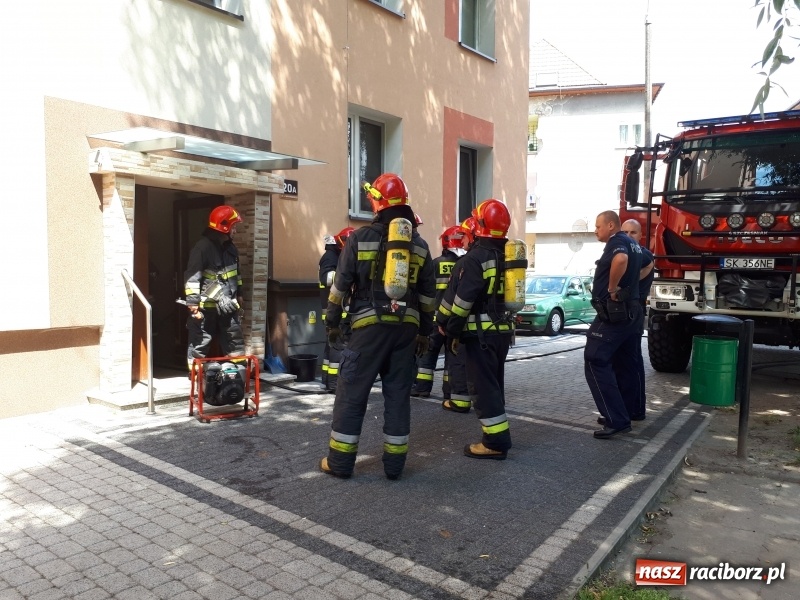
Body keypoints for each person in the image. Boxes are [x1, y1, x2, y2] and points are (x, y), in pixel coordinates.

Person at [320, 173, 436, 480]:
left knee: (352, 392)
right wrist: (424, 333)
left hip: (368, 331)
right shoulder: (421, 246)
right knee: (398, 396)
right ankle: (395, 467)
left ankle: (340, 463)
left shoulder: (358, 238)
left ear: (377, 202)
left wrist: (332, 322)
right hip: (406, 332)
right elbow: (427, 299)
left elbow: (340, 287)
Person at [436, 199, 515, 459]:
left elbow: (460, 304)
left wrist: (451, 332)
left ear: (479, 226)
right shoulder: (508, 256)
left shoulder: (474, 260)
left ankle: (495, 443)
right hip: (503, 333)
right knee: (494, 384)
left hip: (479, 335)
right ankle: (498, 433)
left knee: (483, 388)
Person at [585, 210, 645, 439]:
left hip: (615, 313)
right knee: (628, 362)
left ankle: (616, 419)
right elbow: (649, 264)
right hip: (633, 312)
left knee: (595, 358)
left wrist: (612, 289)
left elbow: (620, 260)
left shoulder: (617, 242)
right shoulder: (635, 244)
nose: (595, 230)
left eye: (598, 226)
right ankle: (631, 410)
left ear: (611, 225)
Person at [184, 205, 245, 372]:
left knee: (235, 342)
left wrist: (239, 294)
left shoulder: (231, 248)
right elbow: (192, 277)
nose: (235, 231)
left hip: (229, 307)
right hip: (206, 308)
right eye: (234, 227)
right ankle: (197, 380)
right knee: (200, 344)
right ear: (225, 227)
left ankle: (238, 379)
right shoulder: (202, 248)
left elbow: (236, 274)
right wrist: (193, 303)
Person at [411, 225, 466, 401]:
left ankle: (422, 389)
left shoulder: (435, 263)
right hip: (455, 321)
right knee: (452, 357)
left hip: (434, 319)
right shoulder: (466, 265)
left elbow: (425, 289)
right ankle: (449, 392)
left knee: (427, 354)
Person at [617, 219, 655, 422]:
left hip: (633, 312)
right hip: (626, 313)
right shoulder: (630, 254)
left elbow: (649, 263)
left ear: (640, 235)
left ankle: (635, 409)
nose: (628, 236)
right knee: (625, 362)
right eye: (625, 232)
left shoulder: (641, 254)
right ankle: (628, 409)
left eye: (633, 232)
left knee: (631, 362)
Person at [319, 227, 355, 392]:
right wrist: (348, 274)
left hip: (334, 309)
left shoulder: (335, 255)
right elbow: (327, 279)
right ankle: (334, 385)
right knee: (338, 345)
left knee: (331, 345)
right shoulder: (329, 257)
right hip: (334, 310)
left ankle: (328, 380)